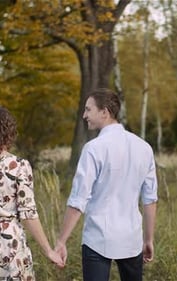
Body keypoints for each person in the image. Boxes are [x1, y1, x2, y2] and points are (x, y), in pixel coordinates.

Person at [54, 88, 158, 281]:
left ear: (105, 112)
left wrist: (61, 241)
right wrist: (148, 239)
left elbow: (78, 200)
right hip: (131, 239)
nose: (84, 115)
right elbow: (150, 199)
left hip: (97, 239)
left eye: (88, 109)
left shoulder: (93, 149)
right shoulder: (144, 148)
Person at [0, 105, 62, 280]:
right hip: (9, 247)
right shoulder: (18, 166)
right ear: (9, 133)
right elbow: (28, 214)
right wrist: (49, 251)